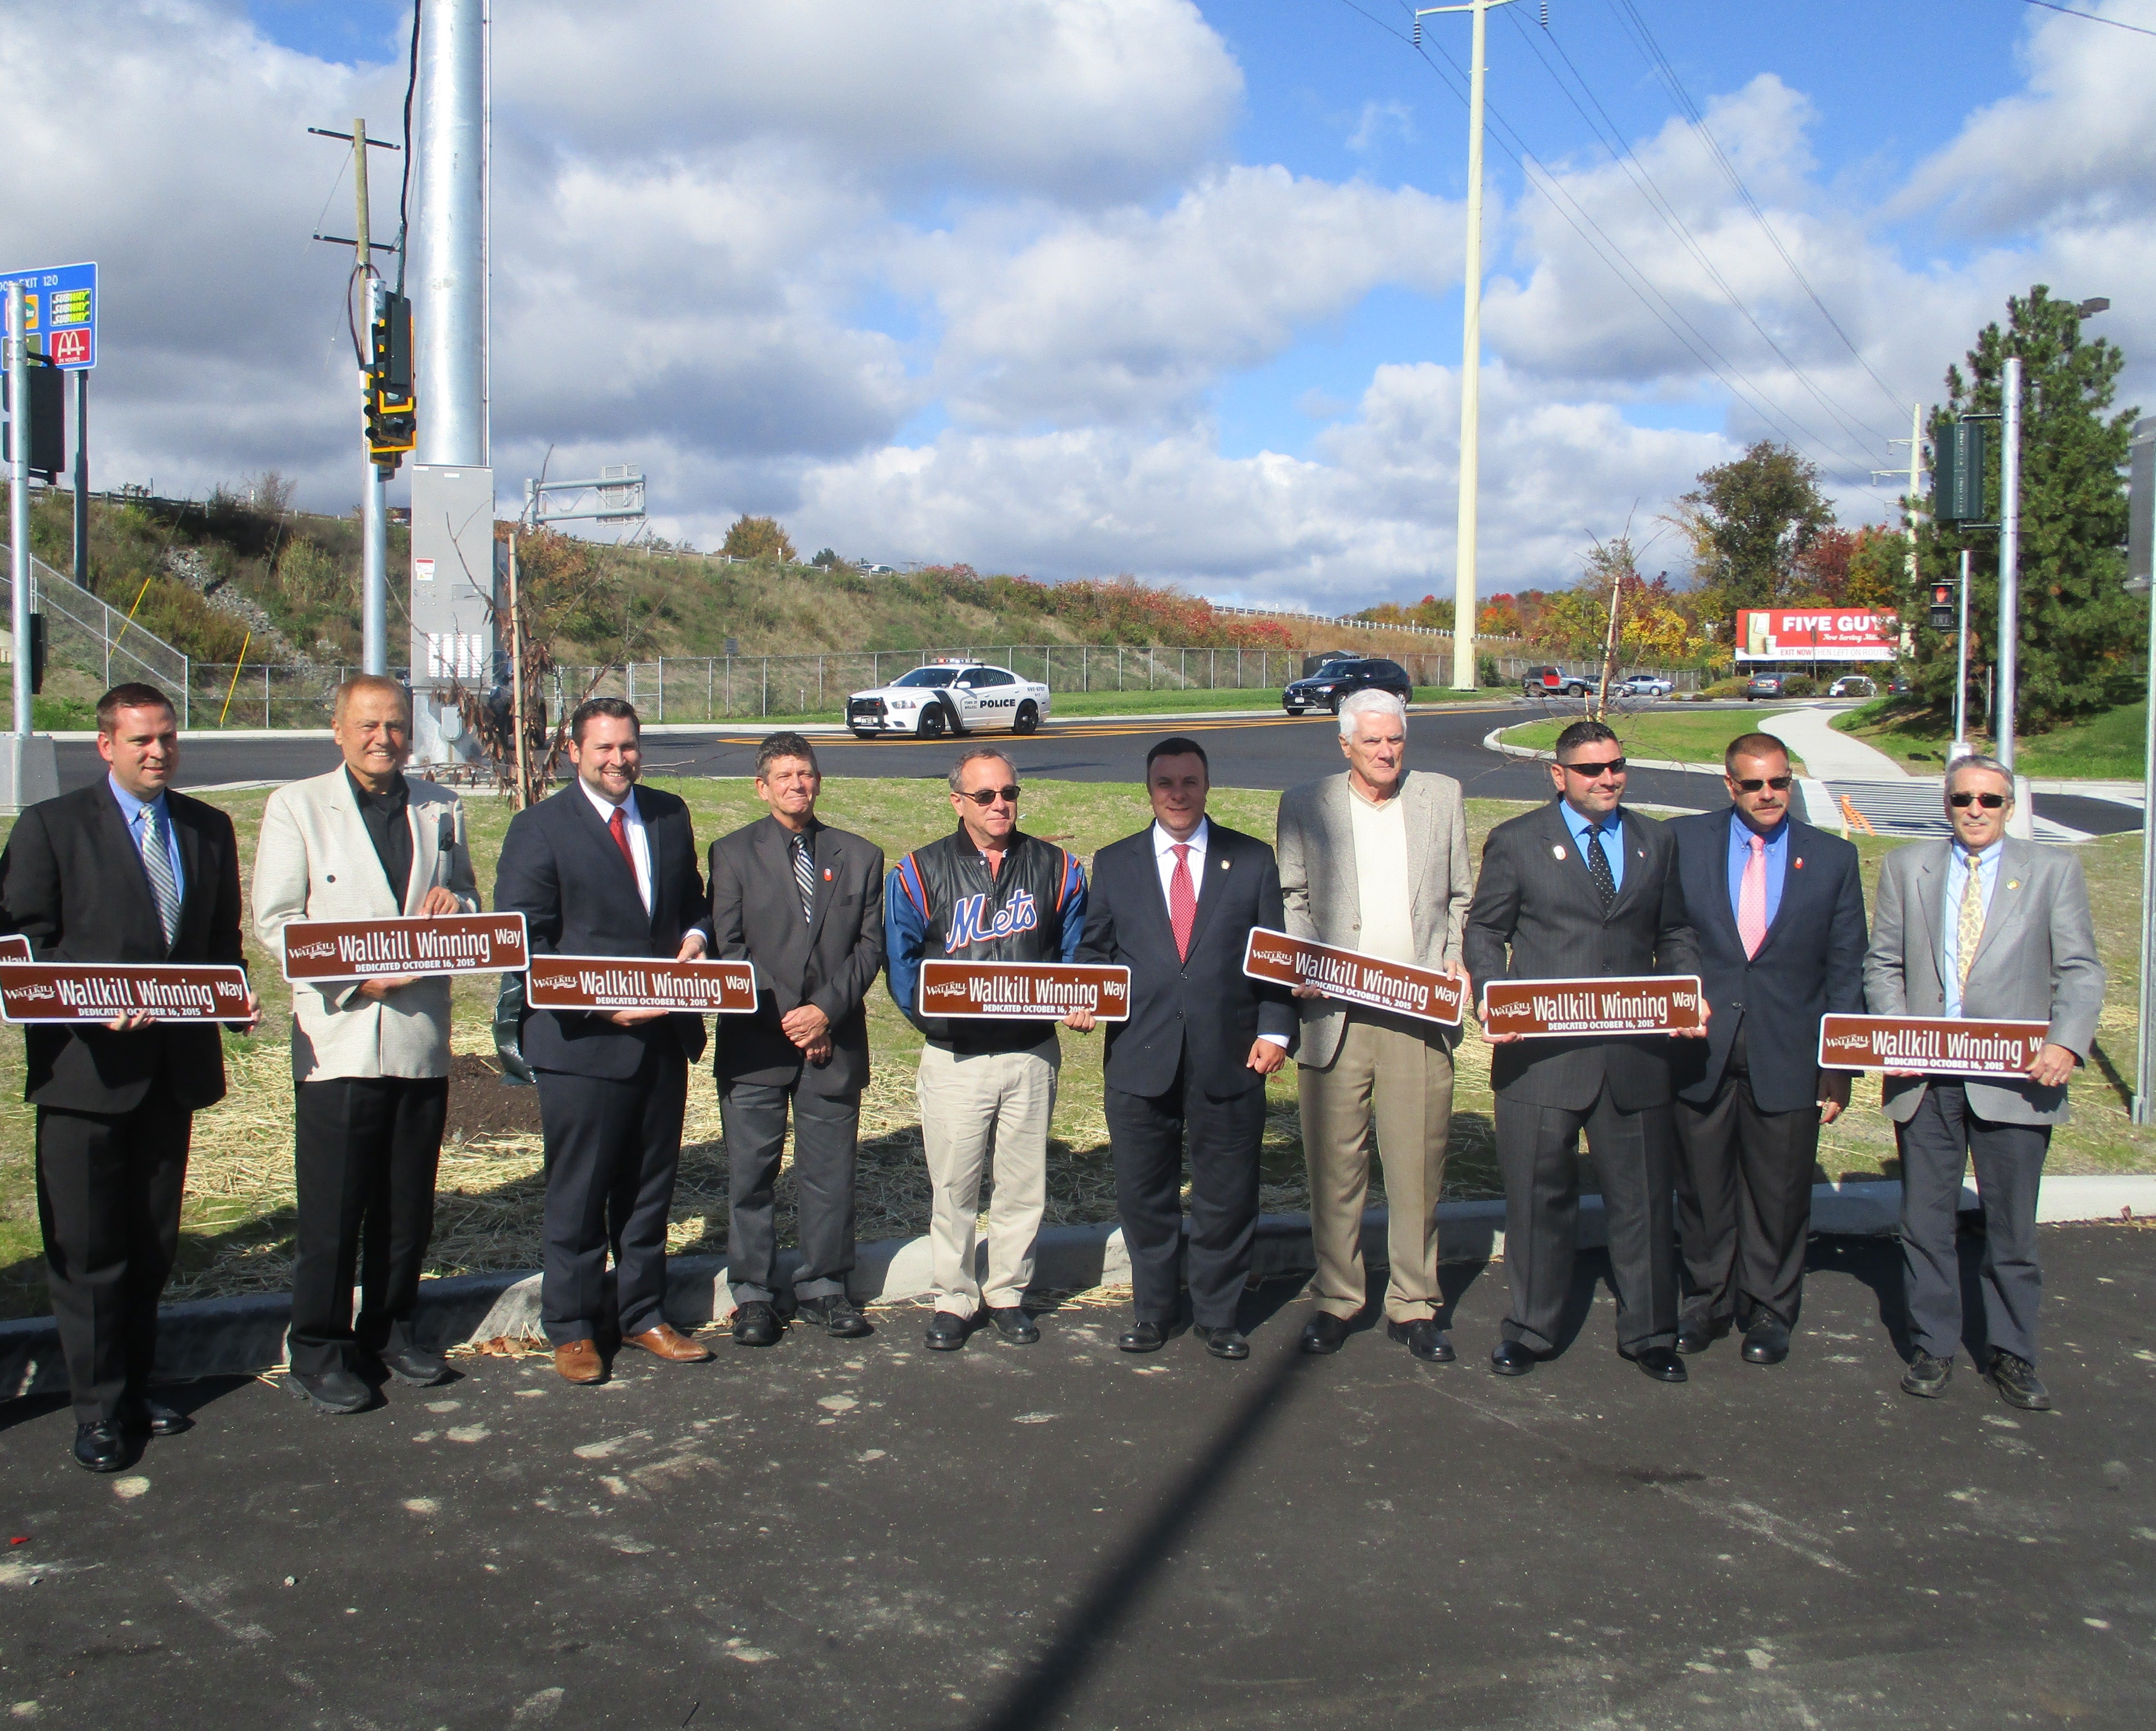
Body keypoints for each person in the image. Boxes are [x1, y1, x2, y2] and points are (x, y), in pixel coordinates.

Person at [0, 683, 257, 1471]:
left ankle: (139, 1385)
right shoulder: (51, 828)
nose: (158, 752)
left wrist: (234, 996)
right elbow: (19, 944)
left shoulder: (207, 829)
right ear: (105, 745)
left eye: (169, 738)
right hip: (85, 1076)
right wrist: (87, 1002)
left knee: (149, 1246)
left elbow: (219, 943)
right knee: (87, 1250)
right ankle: (99, 1409)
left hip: (170, 1076)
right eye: (142, 739)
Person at [252, 674, 481, 1413]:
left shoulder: (442, 807)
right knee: (334, 1206)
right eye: (368, 724)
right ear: (338, 728)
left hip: (418, 1035)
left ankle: (390, 1328)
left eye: (395, 725)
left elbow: (473, 901)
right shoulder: (296, 807)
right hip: (341, 1037)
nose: (382, 738)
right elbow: (277, 920)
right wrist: (358, 977)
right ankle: (318, 1347)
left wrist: (458, 905)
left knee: (406, 1202)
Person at [1462, 718, 1703, 1383]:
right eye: (1591, 769)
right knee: (1538, 1200)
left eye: (1616, 766)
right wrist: (1491, 992)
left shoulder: (1655, 839)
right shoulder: (1516, 842)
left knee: (1643, 1200)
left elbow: (1674, 930)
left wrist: (1686, 991)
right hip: (1541, 1059)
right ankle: (1533, 1328)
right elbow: (1485, 930)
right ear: (1558, 774)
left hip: (1634, 1056)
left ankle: (1651, 1331)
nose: (1607, 779)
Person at [1863, 754, 2103, 1410]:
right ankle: (1933, 1344)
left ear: (2008, 807)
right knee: (1924, 1222)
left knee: (2010, 1230)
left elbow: (2080, 971)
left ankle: (2012, 1352)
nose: (1975, 809)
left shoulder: (2052, 870)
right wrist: (1893, 1031)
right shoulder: (1905, 868)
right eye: (1963, 798)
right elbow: (1882, 962)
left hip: (2015, 1079)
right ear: (1946, 804)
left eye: (1989, 800)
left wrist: (2065, 1044)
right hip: (1927, 1077)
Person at [494, 697, 715, 1385]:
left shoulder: (669, 813)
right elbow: (524, 941)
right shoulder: (539, 828)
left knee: (649, 1190)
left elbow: (694, 902)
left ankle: (641, 1311)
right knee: (580, 1193)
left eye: (628, 746)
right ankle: (574, 1326)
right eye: (604, 749)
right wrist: (598, 1007)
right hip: (582, 1043)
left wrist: (697, 938)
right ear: (573, 752)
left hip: (662, 1038)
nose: (618, 759)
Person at [1072, 736, 1296, 1360]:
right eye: (1165, 782)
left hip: (1230, 1053)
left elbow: (1274, 956)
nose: (1177, 793)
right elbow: (1095, 950)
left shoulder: (1249, 860)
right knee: (1144, 1193)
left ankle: (1219, 1314)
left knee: (1227, 1191)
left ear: (1206, 785)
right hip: (1140, 1056)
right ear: (1149, 789)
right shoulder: (1114, 862)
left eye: (1189, 781)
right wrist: (1083, 995)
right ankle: (1153, 1310)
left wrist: (1276, 1031)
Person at [1275, 690, 1470, 1362]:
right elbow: (1291, 896)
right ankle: (1337, 1297)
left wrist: (1452, 955)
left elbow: (1459, 896)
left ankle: (1413, 1303)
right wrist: (1306, 958)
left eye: (1395, 741)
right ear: (1345, 745)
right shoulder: (1305, 803)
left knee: (1417, 1163)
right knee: (1334, 1164)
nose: (1386, 753)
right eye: (1373, 743)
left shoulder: (1440, 796)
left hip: (1416, 1013)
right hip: (1335, 1014)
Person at [1667, 732, 1864, 1366]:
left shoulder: (1831, 858)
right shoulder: (1684, 843)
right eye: (1752, 784)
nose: (1767, 794)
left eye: (1778, 782)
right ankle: (1706, 1301)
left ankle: (1770, 1308)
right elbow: (1668, 936)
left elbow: (1846, 969)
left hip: (1790, 1049)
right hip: (1701, 1046)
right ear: (1730, 786)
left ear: (1791, 781)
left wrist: (1839, 1064)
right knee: (1701, 1187)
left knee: (1779, 1192)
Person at [884, 746, 1086, 1350]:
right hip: (956, 1057)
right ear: (957, 802)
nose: (1000, 805)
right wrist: (944, 1022)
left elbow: (1075, 953)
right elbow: (902, 966)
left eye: (1009, 793)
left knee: (1023, 1184)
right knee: (955, 1187)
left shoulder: (1059, 867)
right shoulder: (918, 871)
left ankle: (1006, 1292)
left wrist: (1078, 997)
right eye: (985, 796)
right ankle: (953, 1297)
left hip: (1030, 1052)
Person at [706, 732, 886, 1346]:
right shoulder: (730, 854)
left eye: (805, 774)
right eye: (782, 776)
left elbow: (869, 949)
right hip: (757, 1042)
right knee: (750, 1174)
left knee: (829, 1174)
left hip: (832, 1045)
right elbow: (729, 949)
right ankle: (753, 1293)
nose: (796, 785)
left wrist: (824, 1013)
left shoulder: (860, 855)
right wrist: (793, 1016)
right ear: (761, 786)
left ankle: (825, 1285)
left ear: (818, 780)